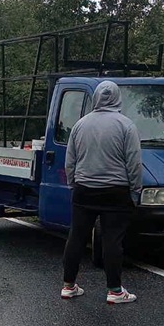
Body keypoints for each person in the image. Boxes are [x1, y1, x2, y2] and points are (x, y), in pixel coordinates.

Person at [60, 80, 142, 304]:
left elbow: (71, 160)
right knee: (112, 240)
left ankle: (68, 285)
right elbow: (133, 163)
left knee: (76, 237)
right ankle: (115, 290)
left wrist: (73, 184)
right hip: (115, 191)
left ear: (95, 98)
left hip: (84, 189)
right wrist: (135, 191)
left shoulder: (80, 125)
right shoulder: (126, 125)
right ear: (117, 98)